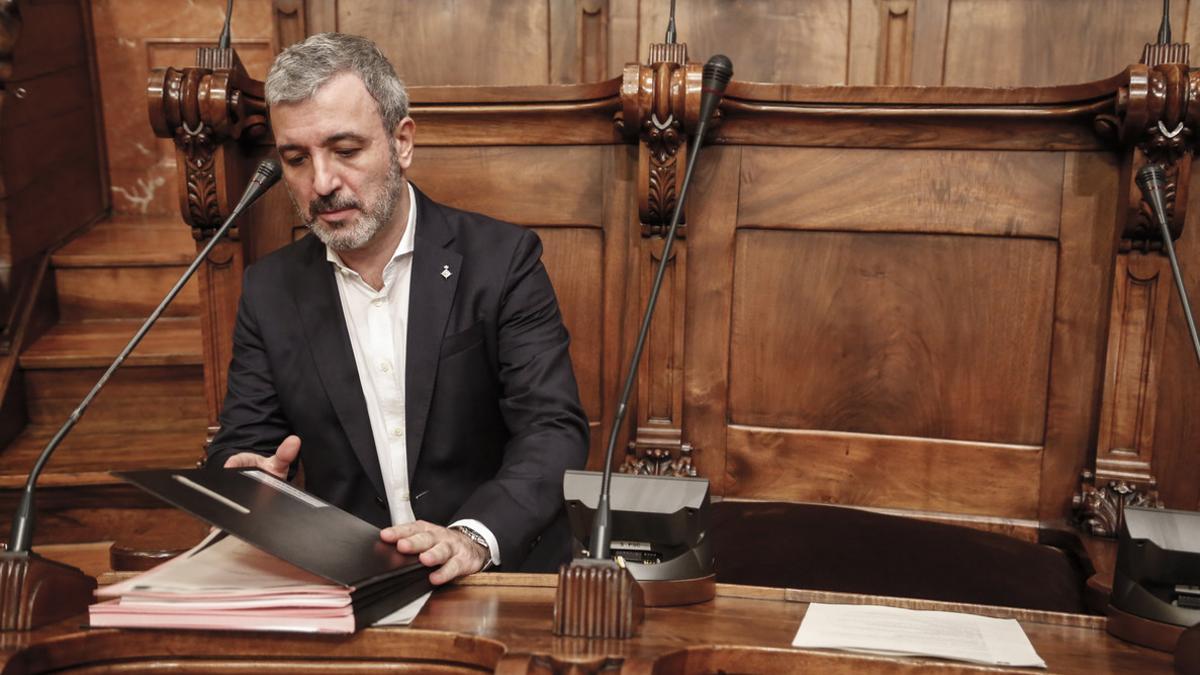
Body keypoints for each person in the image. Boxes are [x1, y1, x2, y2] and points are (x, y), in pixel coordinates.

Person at [206, 33, 589, 585]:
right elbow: (245, 442)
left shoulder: (502, 261)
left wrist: (473, 538)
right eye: (296, 159)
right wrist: (247, 477)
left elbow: (552, 429)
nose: (322, 183)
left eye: (345, 150)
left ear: (401, 141)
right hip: (351, 581)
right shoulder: (270, 290)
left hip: (498, 573)